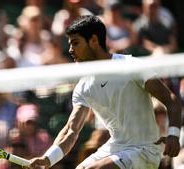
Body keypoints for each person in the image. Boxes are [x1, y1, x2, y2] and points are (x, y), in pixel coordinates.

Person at [28, 15, 182, 169]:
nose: (70, 50)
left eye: (75, 43)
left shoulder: (132, 67)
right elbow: (71, 130)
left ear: (93, 41)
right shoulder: (83, 87)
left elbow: (171, 100)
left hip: (144, 150)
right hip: (115, 148)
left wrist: (174, 134)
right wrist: (48, 159)